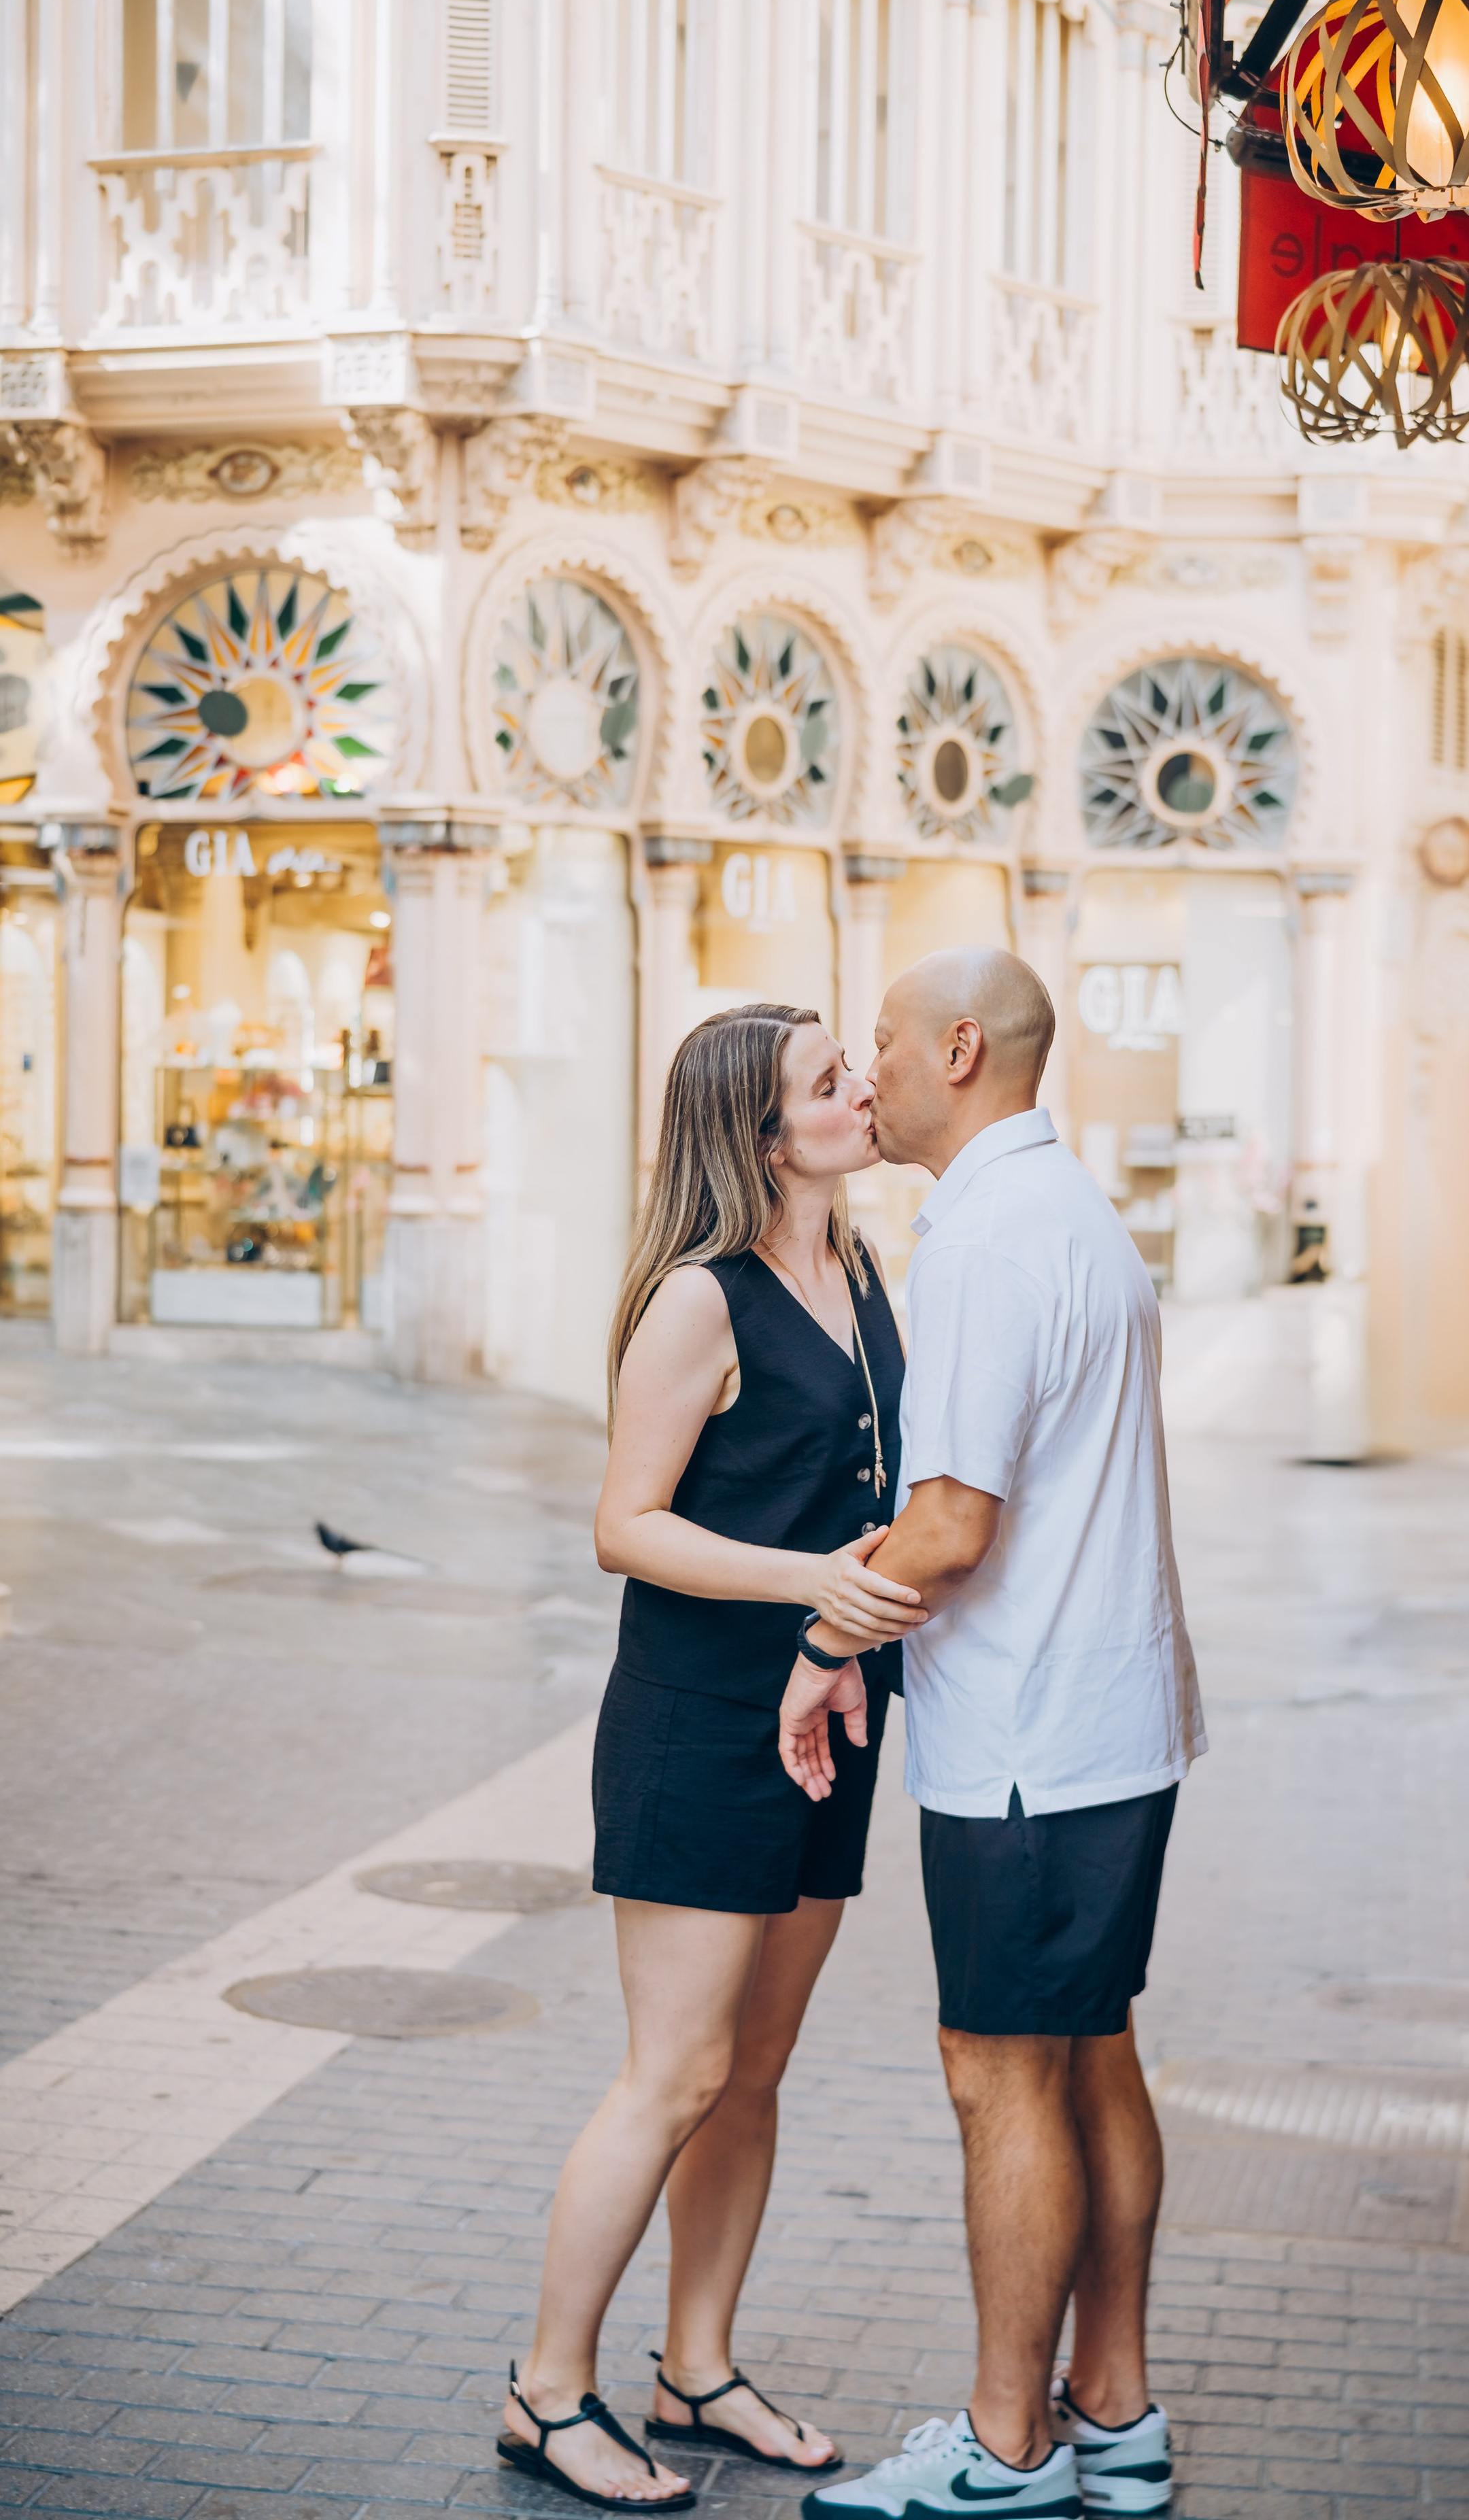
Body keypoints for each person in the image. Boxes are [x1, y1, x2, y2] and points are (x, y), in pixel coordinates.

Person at [782, 948, 1204, 2520]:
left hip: (1030, 1736)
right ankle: (1114, 2408)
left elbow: (948, 1525)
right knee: (1087, 2052)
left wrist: (823, 1642)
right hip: (1109, 1720)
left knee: (998, 2072)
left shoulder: (982, 1240)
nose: (868, 1070)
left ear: (958, 1049)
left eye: (880, 1043)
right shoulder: (1070, 1214)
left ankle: (1006, 2448)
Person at [499, 1004, 926, 2511]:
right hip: (699, 1725)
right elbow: (626, 1526)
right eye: (828, 1082)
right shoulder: (700, 1296)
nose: (861, 1089)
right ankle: (547, 2392)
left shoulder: (859, 1265)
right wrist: (813, 1581)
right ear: (759, 1135)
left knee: (753, 2070)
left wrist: (851, 1620)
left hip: (828, 1717)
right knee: (673, 2073)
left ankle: (696, 2367)